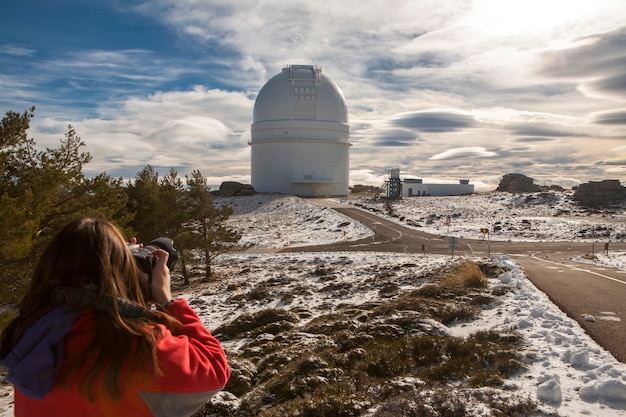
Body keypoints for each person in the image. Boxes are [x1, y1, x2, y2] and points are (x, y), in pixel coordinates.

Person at [0, 217, 230, 417]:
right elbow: (215, 369)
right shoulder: (135, 344)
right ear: (117, 274)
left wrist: (124, 280)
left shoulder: (32, 336)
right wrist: (166, 299)